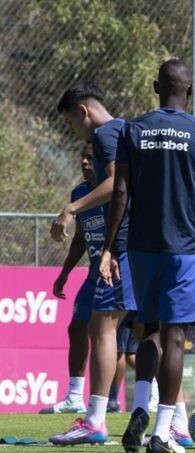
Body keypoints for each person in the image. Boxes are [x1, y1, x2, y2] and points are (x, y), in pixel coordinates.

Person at [101, 59, 195, 453]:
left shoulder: (132, 129)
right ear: (188, 91)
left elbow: (120, 192)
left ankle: (139, 406)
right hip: (183, 250)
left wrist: (109, 247)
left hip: (141, 248)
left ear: (156, 86)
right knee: (176, 337)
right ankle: (160, 432)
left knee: (148, 329)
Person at [49, 83, 137, 446]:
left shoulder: (104, 134)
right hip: (149, 244)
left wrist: (72, 209)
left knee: (103, 328)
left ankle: (96, 420)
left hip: (124, 246)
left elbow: (118, 184)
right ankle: (172, 418)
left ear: (83, 112)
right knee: (148, 335)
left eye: (71, 123)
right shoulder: (130, 129)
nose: (75, 131)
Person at [41, 143, 96, 414]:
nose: (84, 163)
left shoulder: (120, 190)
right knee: (77, 328)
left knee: (134, 336)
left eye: (90, 158)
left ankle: (154, 398)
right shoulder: (79, 194)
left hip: (126, 271)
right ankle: (75, 397)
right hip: (97, 272)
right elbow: (81, 238)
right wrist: (65, 272)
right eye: (82, 157)